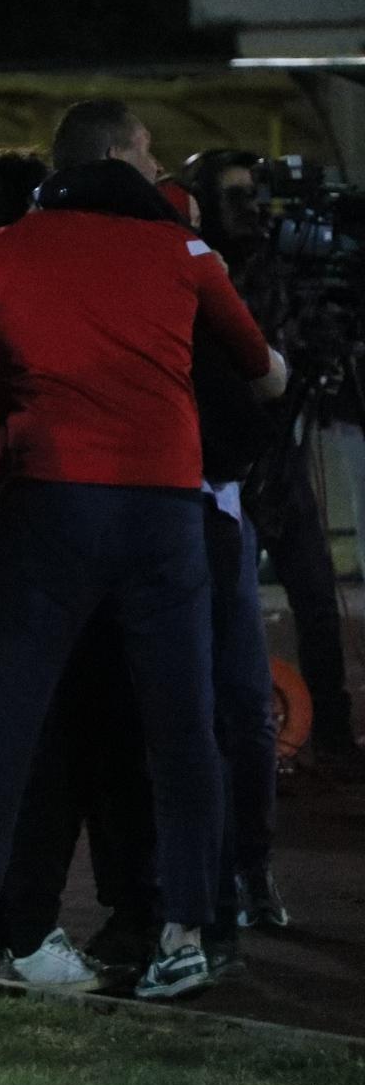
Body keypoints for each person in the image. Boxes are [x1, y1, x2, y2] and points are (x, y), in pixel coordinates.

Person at [0, 99, 287, 1001]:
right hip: (164, 510)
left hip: (50, 504)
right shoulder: (183, 252)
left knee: (4, 726)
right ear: (123, 156)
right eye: (148, 150)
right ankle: (184, 937)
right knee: (182, 729)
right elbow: (261, 368)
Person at [187, 148, 363, 780]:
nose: (251, 210)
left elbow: (314, 344)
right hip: (219, 465)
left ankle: (333, 736)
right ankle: (229, 746)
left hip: (280, 464)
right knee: (219, 610)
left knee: (316, 600)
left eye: (253, 195)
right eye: (234, 197)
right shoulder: (197, 267)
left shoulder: (281, 265)